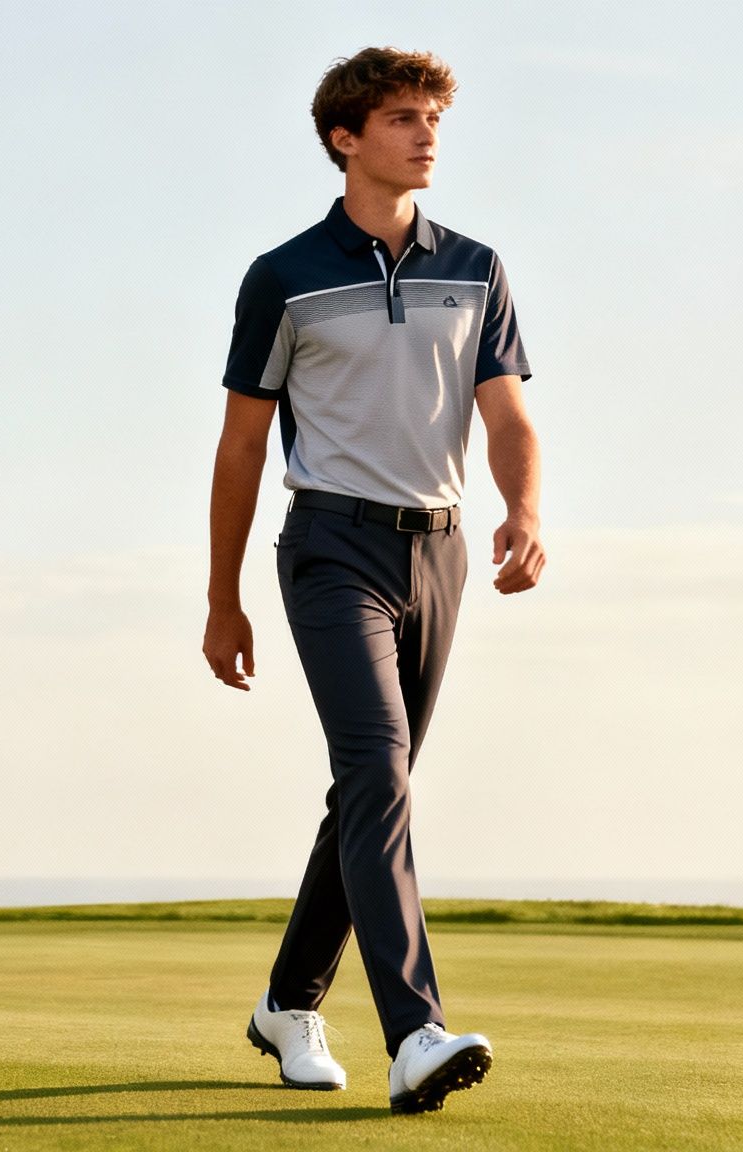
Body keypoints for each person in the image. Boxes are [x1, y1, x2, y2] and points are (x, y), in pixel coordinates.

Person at [201, 46, 545, 1116]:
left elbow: (505, 413)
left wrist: (522, 510)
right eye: (402, 118)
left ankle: (287, 1004)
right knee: (380, 770)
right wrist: (222, 600)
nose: (425, 134)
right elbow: (240, 448)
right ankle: (415, 1033)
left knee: (367, 788)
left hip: (437, 553)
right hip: (330, 549)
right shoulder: (284, 277)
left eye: (432, 117)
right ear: (345, 139)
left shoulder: (476, 265)